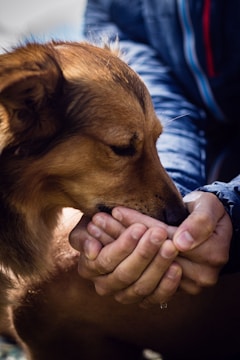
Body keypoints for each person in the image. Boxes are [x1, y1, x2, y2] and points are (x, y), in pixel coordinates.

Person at [69, 0, 240, 308]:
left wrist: (234, 208)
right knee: (71, 251)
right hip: (208, 195)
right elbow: (157, 106)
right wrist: (177, 200)